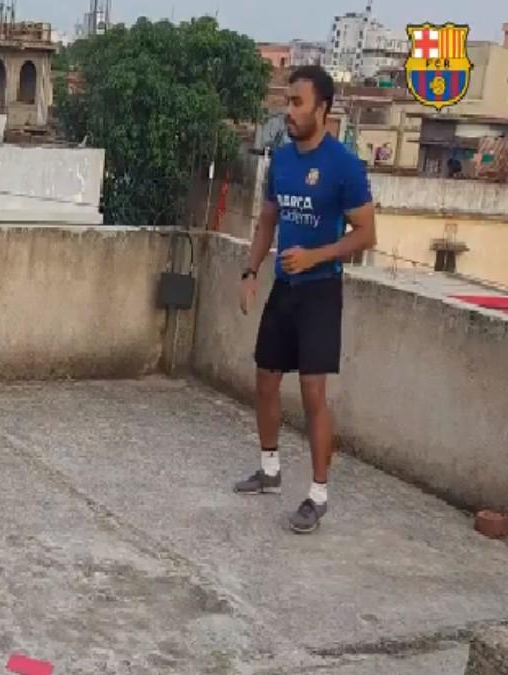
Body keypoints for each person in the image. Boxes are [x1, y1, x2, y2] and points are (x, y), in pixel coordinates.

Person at [234, 65, 376, 534]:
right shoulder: (282, 160)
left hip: (321, 291)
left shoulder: (345, 166)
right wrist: (250, 271)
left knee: (314, 394)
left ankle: (318, 494)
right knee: (265, 379)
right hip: (285, 288)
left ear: (323, 109)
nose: (289, 111)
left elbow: (365, 235)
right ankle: (270, 469)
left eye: (298, 103)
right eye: (287, 102)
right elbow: (267, 221)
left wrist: (316, 255)